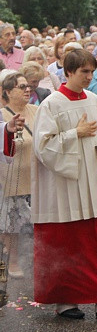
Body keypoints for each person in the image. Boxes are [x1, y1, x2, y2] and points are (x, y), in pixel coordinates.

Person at [32, 49, 97, 320]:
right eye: (84, 72)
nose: (90, 77)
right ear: (68, 72)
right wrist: (74, 134)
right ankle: (66, 302)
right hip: (66, 185)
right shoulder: (52, 104)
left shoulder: (93, 100)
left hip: (93, 181)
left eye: (91, 71)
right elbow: (42, 146)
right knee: (70, 243)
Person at [0, 72, 37, 277]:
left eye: (28, 86)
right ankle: (13, 262)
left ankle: (36, 259)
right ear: (7, 91)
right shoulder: (2, 115)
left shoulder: (37, 110)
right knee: (12, 223)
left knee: (35, 223)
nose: (27, 90)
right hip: (11, 178)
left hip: (36, 177)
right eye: (21, 87)